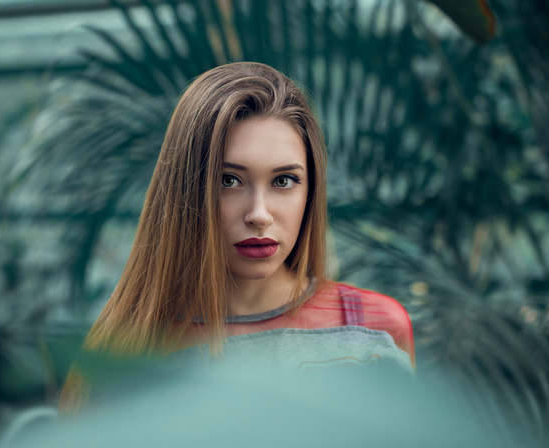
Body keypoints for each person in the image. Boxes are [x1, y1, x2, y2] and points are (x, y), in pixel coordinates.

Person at [59, 62, 414, 413]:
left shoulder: (376, 329)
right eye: (228, 180)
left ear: (312, 190)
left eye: (284, 180)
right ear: (187, 191)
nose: (259, 214)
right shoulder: (128, 353)